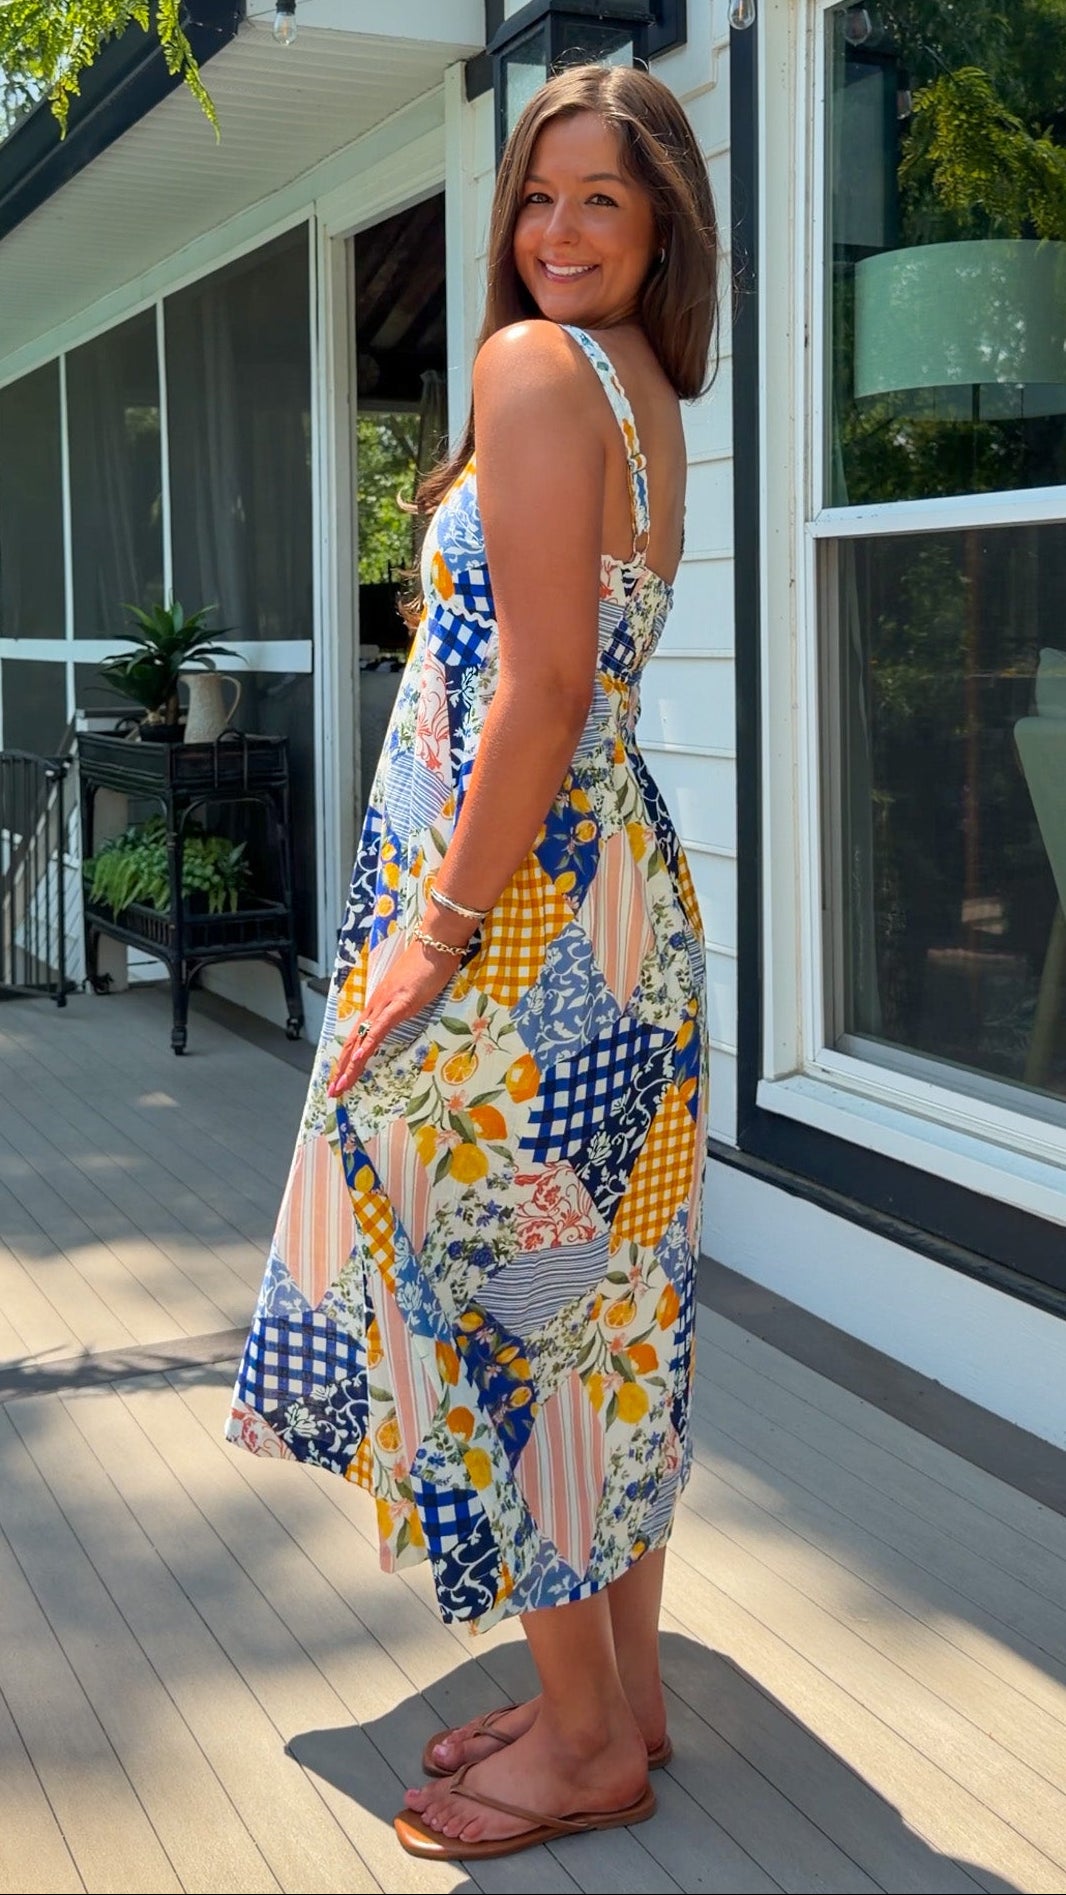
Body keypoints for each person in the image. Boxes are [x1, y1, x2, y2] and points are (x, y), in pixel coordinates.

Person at [226, 59, 718, 1863]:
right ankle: (625, 1698)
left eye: (601, 196)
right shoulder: (648, 389)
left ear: (664, 211)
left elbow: (538, 686)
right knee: (599, 1312)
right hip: (616, 909)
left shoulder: (528, 367)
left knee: (494, 1299)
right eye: (536, 198)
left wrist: (428, 937)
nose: (560, 231)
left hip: (516, 921)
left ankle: (587, 1741)